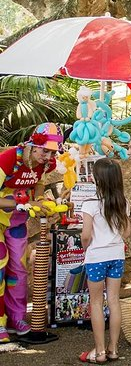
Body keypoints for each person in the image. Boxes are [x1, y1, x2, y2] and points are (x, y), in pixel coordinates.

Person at [0, 123, 61, 342]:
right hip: (0, 218)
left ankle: (17, 318)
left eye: (53, 152)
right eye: (45, 150)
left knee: (19, 269)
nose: (48, 156)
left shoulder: (45, 164)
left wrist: (40, 200)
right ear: (32, 145)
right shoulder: (9, 159)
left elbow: (39, 185)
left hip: (17, 221)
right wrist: (15, 201)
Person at [78, 158, 130, 364]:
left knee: (97, 302)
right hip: (117, 255)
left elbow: (85, 235)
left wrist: (85, 248)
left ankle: (100, 352)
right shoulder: (123, 202)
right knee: (114, 301)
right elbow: (127, 231)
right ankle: (114, 349)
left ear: (98, 179)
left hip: (96, 257)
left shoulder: (90, 203)